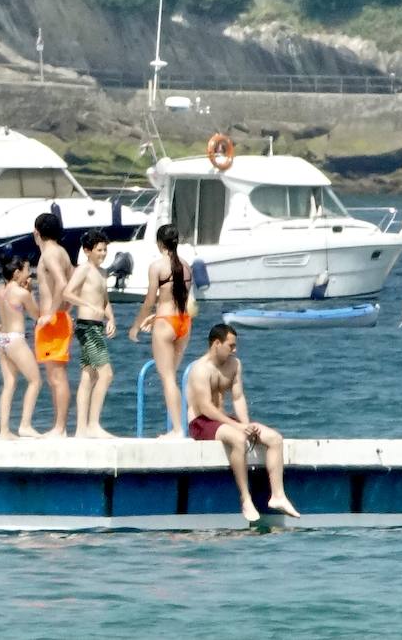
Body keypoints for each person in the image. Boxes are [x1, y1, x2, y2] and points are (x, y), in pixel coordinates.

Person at [186, 324, 301, 523]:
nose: (234, 350)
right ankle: (245, 498)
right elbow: (204, 408)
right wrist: (239, 428)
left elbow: (238, 398)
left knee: (274, 438)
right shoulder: (200, 369)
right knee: (238, 439)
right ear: (216, 344)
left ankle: (278, 496)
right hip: (201, 422)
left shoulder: (234, 365)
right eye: (230, 346)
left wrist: (247, 424)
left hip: (224, 420)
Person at [129, 223, 194, 439]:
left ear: (159, 243)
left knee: (167, 379)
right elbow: (179, 298)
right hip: (183, 323)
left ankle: (177, 430)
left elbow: (150, 301)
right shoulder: (186, 266)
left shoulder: (157, 266)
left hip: (165, 322)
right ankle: (179, 426)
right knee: (172, 378)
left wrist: (136, 325)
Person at [0, 256, 43, 439]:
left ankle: (4, 430)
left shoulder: (0, 291)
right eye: (27, 270)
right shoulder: (21, 293)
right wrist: (31, 292)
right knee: (35, 381)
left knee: (9, 384)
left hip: (2, 340)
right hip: (15, 340)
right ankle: (25, 425)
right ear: (17, 273)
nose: (29, 273)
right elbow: (36, 314)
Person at [63, 230, 116, 438]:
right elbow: (67, 292)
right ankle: (93, 425)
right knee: (106, 374)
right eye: (99, 250)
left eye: (105, 250)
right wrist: (86, 304)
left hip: (97, 326)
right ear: (87, 251)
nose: (103, 253)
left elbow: (104, 300)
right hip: (86, 326)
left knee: (89, 376)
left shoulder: (102, 273)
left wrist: (111, 318)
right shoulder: (83, 269)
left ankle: (81, 430)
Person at [32, 213, 75, 438]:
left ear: (37, 232)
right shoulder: (62, 252)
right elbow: (72, 283)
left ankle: (60, 428)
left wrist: (51, 313)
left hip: (53, 321)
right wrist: (65, 309)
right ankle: (59, 427)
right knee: (54, 376)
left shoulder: (49, 254)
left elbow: (62, 283)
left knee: (56, 377)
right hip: (59, 318)